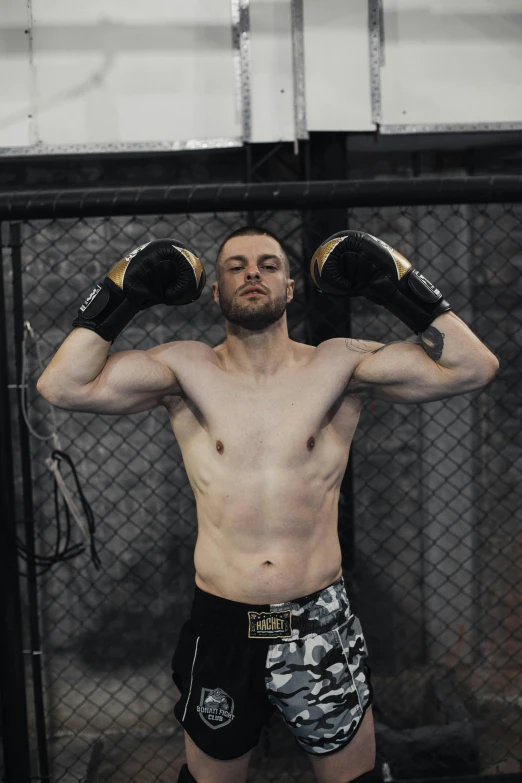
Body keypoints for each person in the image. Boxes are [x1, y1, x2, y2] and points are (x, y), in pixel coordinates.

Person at [37, 227, 499, 783]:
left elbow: (475, 367)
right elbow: (61, 385)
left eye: (268, 264)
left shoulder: (339, 365)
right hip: (224, 623)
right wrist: (123, 293)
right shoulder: (183, 369)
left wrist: (395, 285)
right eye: (236, 265)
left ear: (290, 287)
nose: (252, 273)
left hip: (318, 623)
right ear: (215, 291)